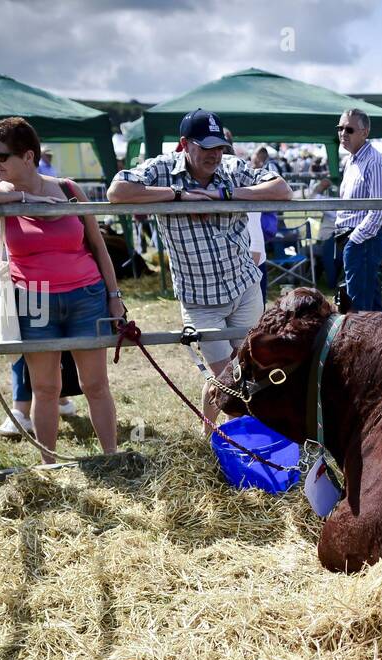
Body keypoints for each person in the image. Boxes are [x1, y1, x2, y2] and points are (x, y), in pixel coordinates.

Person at [0, 116, 123, 464]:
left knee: (95, 384)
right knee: (45, 388)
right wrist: (23, 198)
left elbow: (98, 245)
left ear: (28, 156)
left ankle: (112, 456)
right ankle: (49, 463)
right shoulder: (1, 194)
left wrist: (114, 295)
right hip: (33, 299)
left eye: (0, 157)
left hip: (86, 295)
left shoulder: (67, 188)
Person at [107, 109, 291, 431]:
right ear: (184, 145)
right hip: (200, 300)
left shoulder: (232, 168)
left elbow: (281, 189)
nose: (215, 154)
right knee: (227, 378)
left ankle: (217, 436)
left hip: (244, 287)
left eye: (219, 146)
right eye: (205, 147)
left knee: (248, 372)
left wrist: (226, 195)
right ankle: (232, 441)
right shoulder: (162, 169)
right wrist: (179, 196)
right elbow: (117, 192)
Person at [0, 139, 81, 437]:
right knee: (19, 341)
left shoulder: (28, 193)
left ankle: (21, 410)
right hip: (3, 279)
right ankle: (57, 399)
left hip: (34, 280)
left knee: (28, 344)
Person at [333, 108, 382, 313]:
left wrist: (354, 240)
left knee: (358, 308)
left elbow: (379, 209)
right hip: (355, 238)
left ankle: (362, 345)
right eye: (340, 128)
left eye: (349, 129)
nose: (342, 133)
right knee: (371, 306)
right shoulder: (352, 159)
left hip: (363, 239)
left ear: (364, 133)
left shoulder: (373, 161)